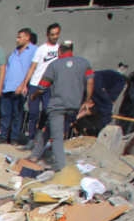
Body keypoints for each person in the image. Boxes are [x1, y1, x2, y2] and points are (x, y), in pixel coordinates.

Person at [30, 40, 93, 171]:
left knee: (57, 137)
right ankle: (34, 156)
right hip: (74, 106)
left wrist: (34, 95)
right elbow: (90, 82)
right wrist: (87, 100)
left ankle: (61, 168)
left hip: (57, 106)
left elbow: (43, 86)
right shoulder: (84, 63)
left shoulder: (54, 65)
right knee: (48, 129)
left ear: (59, 51)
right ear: (72, 50)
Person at [21, 23, 61, 149]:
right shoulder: (41, 49)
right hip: (35, 84)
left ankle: (41, 137)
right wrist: (25, 84)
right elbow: (33, 67)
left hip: (49, 86)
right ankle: (31, 138)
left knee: (47, 111)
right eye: (52, 34)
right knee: (33, 112)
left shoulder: (60, 50)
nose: (54, 37)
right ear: (47, 35)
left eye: (56, 34)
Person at [0, 28, 36, 145]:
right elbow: (8, 69)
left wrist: (24, 84)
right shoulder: (14, 53)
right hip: (7, 87)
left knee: (17, 114)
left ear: (27, 37)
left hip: (19, 88)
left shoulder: (34, 51)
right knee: (5, 114)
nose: (17, 39)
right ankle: (3, 137)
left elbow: (32, 69)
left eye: (20, 37)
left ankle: (14, 138)